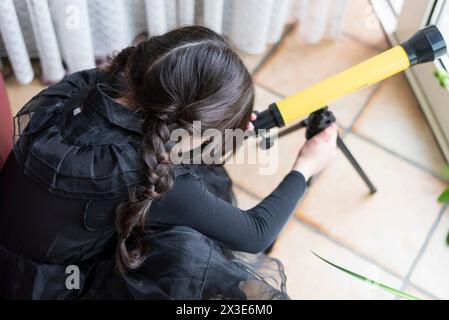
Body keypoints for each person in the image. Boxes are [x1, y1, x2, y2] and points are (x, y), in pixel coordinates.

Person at [0, 26, 337, 300]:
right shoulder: (154, 180)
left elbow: (141, 140)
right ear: (191, 127)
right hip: (52, 287)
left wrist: (216, 130)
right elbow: (255, 234)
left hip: (19, 248)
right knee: (187, 257)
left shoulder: (85, 86)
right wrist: (306, 165)